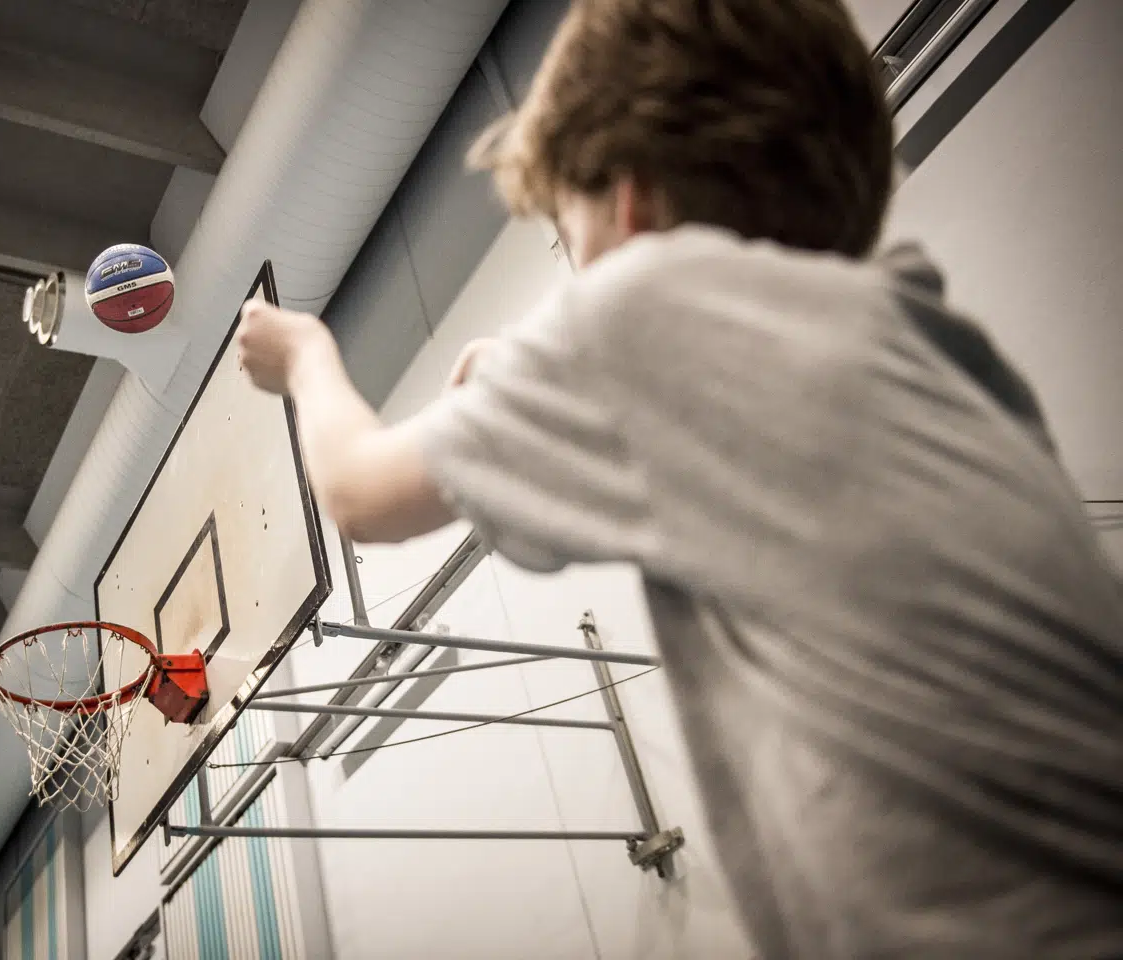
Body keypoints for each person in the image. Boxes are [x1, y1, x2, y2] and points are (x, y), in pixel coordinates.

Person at [237, 0, 1123, 956]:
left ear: (631, 197)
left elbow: (362, 494)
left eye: (567, 232)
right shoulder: (923, 335)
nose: (578, 273)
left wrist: (308, 360)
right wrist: (531, 396)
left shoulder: (642, 308)